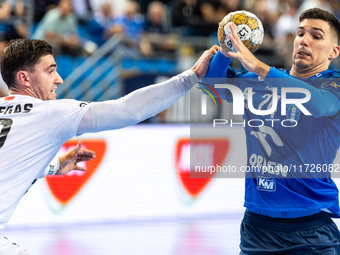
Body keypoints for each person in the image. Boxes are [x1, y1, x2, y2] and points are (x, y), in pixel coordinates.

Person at [0, 38, 215, 254]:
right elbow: (128, 110)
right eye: (50, 71)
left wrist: (55, 166)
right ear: (24, 78)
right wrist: (191, 76)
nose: (59, 79)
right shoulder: (49, 113)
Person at [203, 7, 340, 254]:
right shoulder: (258, 83)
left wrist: (258, 67)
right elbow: (212, 86)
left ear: (334, 51)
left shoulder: (333, 84)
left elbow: (320, 105)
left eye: (316, 36)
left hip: (313, 231)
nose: (304, 40)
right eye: (300, 33)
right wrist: (225, 50)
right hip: (258, 229)